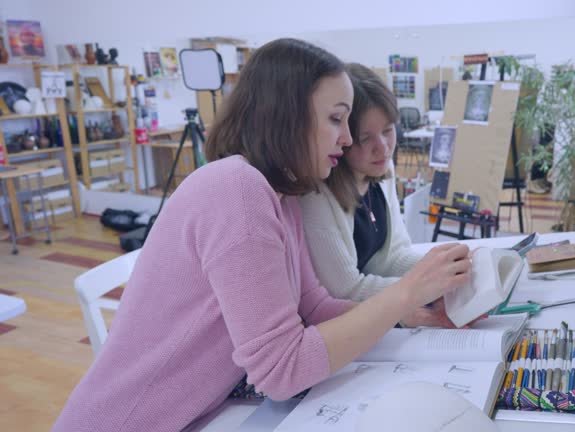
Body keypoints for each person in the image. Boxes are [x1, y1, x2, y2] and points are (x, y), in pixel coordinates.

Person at [52, 40, 470, 432]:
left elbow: (314, 304)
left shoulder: (281, 194)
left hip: (197, 413)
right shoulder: (237, 189)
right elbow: (281, 370)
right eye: (335, 119)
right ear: (287, 114)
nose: (345, 138)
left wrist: (405, 312)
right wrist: (403, 295)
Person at [300, 64, 458, 327]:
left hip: (378, 317)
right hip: (343, 328)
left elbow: (393, 257)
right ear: (343, 138)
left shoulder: (382, 172)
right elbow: (345, 290)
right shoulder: (317, 194)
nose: (383, 148)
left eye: (387, 131)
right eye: (365, 139)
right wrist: (425, 289)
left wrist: (445, 272)